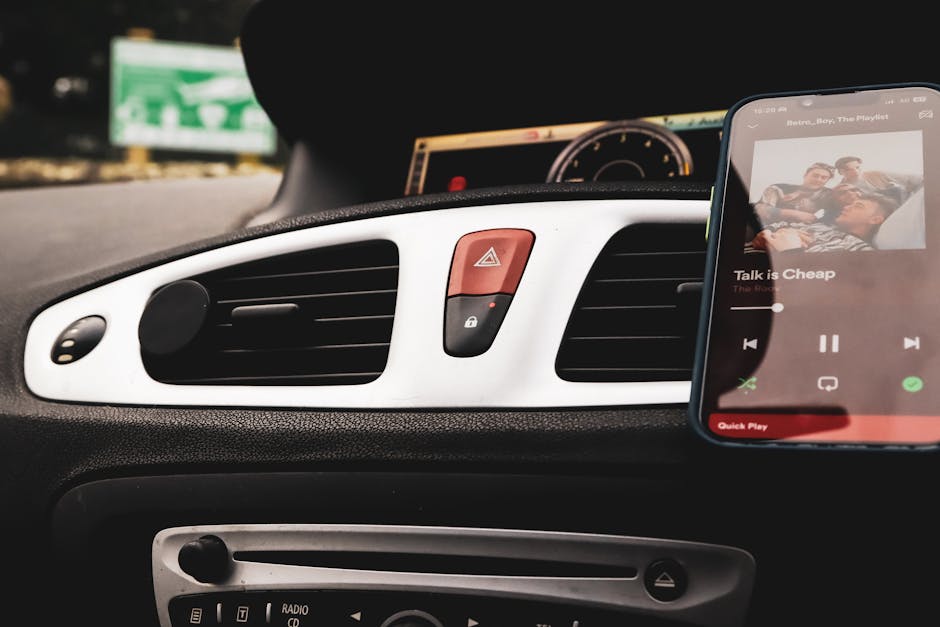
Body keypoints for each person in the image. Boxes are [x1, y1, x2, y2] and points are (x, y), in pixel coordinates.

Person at [749, 192, 898, 253]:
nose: (846, 207)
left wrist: (790, 250)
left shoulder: (859, 250)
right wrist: (765, 234)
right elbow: (772, 227)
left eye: (858, 206)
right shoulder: (819, 225)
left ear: (875, 219)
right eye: (850, 204)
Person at [753, 162, 836, 227]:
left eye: (824, 178)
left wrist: (815, 219)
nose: (818, 180)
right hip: (768, 227)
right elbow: (760, 210)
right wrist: (794, 214)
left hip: (800, 230)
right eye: (815, 175)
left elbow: (835, 214)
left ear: (827, 180)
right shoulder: (779, 188)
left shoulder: (827, 194)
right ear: (805, 175)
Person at [833, 156, 922, 205]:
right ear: (841, 172)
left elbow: (910, 178)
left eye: (857, 167)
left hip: (900, 204)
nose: (856, 171)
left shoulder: (875, 174)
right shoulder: (840, 189)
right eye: (849, 170)